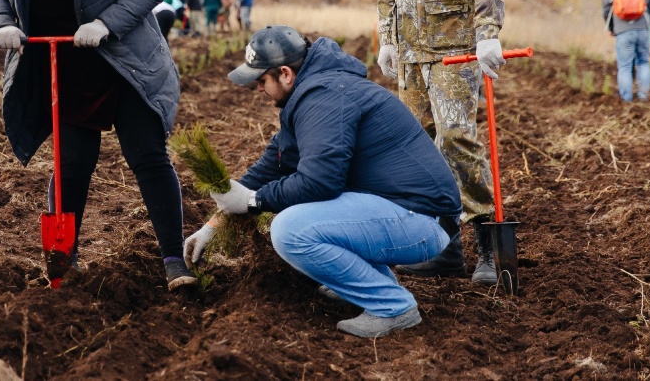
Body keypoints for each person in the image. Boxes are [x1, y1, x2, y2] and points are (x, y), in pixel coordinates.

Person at [184, 26, 461, 338]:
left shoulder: (325, 99)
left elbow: (320, 183)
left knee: (290, 229)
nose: (258, 89)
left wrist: (252, 202)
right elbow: (272, 164)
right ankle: (368, 284)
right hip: (407, 213)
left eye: (261, 80)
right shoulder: (313, 93)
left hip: (422, 223)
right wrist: (214, 224)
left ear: (285, 73)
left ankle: (393, 307)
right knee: (305, 217)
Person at [0, 0, 195, 291]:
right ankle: (64, 262)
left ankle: (173, 261)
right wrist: (1, 24)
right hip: (67, 68)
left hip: (126, 62)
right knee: (72, 163)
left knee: (146, 155)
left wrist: (105, 24)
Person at [374, 0, 506, 284]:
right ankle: (444, 247)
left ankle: (489, 245)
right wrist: (387, 37)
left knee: (456, 139)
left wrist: (488, 29)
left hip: (455, 47)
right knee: (415, 149)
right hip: (410, 52)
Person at [602, 0, 650, 101]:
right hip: (643, 30)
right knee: (643, 62)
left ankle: (626, 99)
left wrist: (612, 28)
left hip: (623, 32)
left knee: (625, 66)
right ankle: (643, 96)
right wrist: (648, 24)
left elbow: (606, 10)